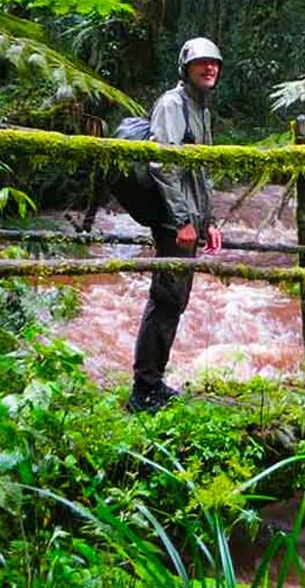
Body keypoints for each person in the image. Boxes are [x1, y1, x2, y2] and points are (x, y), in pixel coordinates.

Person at [127, 37, 224, 413]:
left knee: (175, 301)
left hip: (190, 220)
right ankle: (142, 390)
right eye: (201, 63)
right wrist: (182, 220)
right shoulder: (172, 104)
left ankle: (153, 381)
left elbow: (203, 170)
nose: (209, 68)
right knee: (165, 299)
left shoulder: (202, 111)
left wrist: (209, 221)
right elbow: (163, 164)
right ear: (185, 67)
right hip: (174, 221)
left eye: (214, 63)